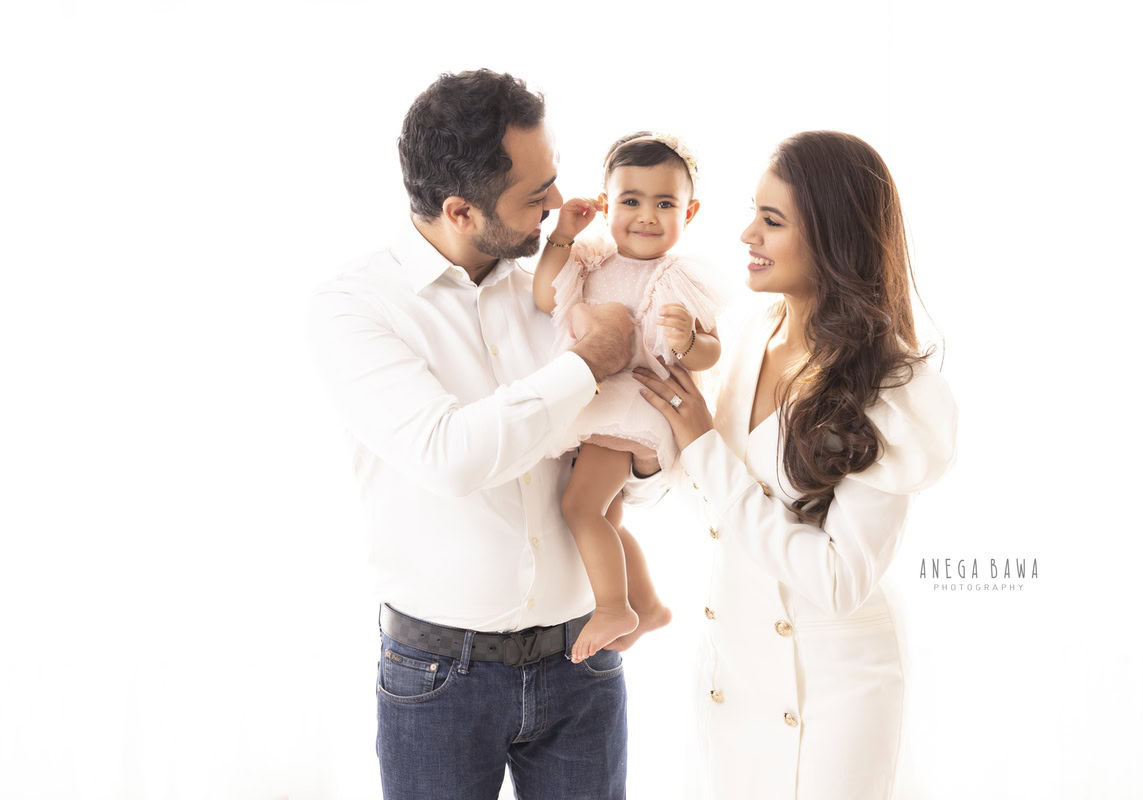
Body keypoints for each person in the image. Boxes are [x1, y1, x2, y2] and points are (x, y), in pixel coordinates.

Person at [306, 69, 667, 800]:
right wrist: (584, 366)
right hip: (438, 679)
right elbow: (452, 457)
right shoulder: (355, 308)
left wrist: (642, 460)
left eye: (554, 180)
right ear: (461, 210)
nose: (559, 207)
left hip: (581, 662)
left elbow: (620, 444)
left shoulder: (563, 281)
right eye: (536, 198)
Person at [634, 131, 958, 799]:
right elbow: (716, 503)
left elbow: (837, 580)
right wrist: (643, 455)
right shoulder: (748, 334)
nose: (746, 232)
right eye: (753, 211)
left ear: (835, 238)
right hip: (734, 666)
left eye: (772, 221)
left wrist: (700, 446)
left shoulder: (889, 387)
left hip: (836, 685)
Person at [532, 131, 722, 663]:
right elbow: (545, 293)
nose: (646, 216)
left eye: (665, 204)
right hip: (598, 400)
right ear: (605, 203)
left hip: (631, 402)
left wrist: (688, 340)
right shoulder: (593, 260)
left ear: (692, 210)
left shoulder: (677, 275)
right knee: (607, 520)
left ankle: (614, 606)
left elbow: (711, 350)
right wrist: (563, 236)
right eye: (631, 201)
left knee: (578, 505)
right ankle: (647, 603)